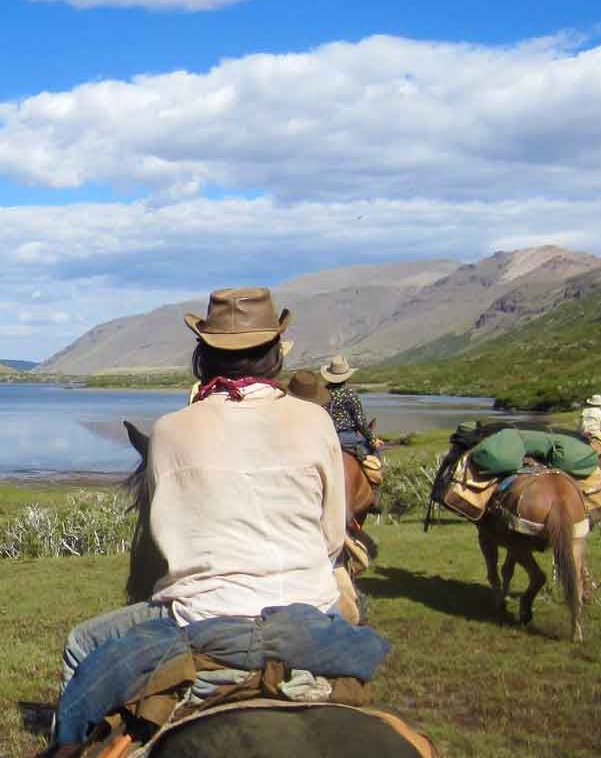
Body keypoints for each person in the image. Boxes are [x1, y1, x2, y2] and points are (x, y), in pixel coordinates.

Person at [58, 287, 351, 694]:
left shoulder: (170, 430)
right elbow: (333, 537)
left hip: (206, 616)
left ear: (203, 354)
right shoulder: (316, 420)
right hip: (309, 609)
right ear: (275, 352)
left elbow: (163, 544)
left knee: (80, 645)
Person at [321, 355, 377, 459]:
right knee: (374, 451)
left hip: (324, 436)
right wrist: (372, 439)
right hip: (345, 436)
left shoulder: (321, 392)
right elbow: (360, 422)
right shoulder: (350, 394)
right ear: (346, 376)